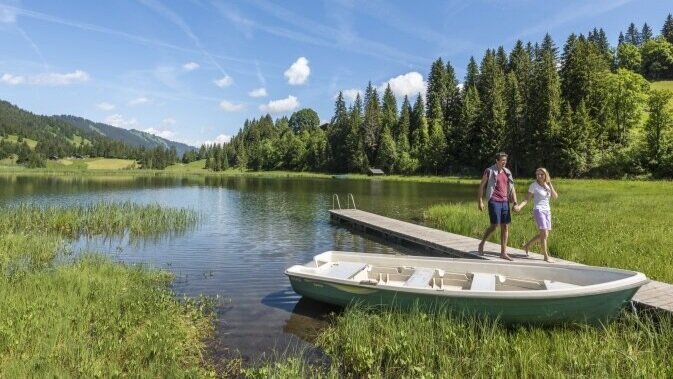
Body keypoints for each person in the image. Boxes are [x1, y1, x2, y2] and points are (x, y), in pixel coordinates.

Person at [477, 152, 518, 261]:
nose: (504, 162)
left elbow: (512, 188)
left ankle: (503, 252)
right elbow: (482, 186)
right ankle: (481, 244)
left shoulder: (507, 172)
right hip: (494, 201)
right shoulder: (489, 171)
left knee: (505, 226)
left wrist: (515, 202)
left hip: (505, 202)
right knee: (494, 225)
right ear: (497, 160)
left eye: (505, 160)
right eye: (502, 160)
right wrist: (480, 201)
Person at [513, 168, 558, 262]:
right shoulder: (533, 185)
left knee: (545, 234)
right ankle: (546, 256)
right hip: (538, 210)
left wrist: (550, 185)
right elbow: (526, 199)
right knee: (544, 233)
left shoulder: (547, 185)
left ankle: (527, 246)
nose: (539, 176)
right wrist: (519, 207)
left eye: (541, 174)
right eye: (537, 174)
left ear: (545, 175)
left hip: (547, 211)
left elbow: (554, 197)